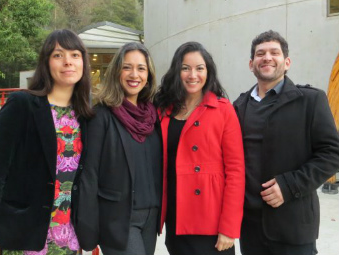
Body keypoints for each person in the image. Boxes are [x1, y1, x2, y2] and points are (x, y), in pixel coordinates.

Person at [0, 29, 94, 255]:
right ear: (46, 63)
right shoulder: (22, 105)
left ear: (83, 62)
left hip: (68, 239)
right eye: (58, 55)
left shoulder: (87, 116)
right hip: (23, 237)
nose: (68, 62)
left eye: (75, 55)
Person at [233, 30, 339, 255]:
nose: (267, 57)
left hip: (293, 227)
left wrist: (290, 185)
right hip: (250, 229)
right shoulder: (238, 106)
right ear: (251, 64)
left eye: (274, 52)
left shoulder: (310, 100)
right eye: (260, 54)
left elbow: (332, 153)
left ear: (287, 62)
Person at [155, 41, 245, 255]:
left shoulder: (223, 110)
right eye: (185, 68)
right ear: (177, 72)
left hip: (210, 220)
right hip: (176, 215)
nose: (192, 75)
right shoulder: (164, 109)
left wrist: (229, 227)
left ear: (208, 71)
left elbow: (236, 171)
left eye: (199, 68)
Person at [75, 42, 162, 255]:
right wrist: (87, 229)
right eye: (127, 67)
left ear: (148, 75)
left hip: (151, 217)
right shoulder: (100, 116)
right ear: (116, 72)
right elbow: (89, 175)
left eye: (141, 68)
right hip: (118, 218)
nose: (134, 74)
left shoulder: (152, 116)